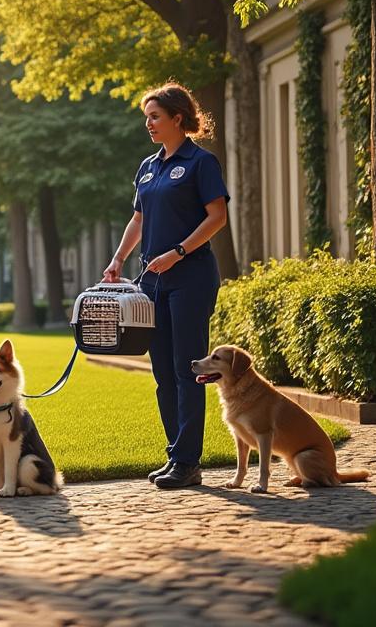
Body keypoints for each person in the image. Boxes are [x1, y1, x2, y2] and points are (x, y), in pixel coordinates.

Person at [103, 81, 229, 489]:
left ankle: (188, 461)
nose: (149, 124)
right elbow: (138, 220)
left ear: (178, 118)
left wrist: (178, 251)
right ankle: (176, 454)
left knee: (186, 368)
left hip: (190, 278)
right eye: (146, 118)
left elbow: (216, 218)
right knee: (161, 372)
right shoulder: (147, 166)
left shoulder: (200, 163)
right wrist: (119, 259)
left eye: (155, 117)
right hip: (151, 282)